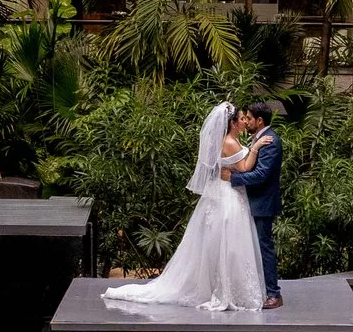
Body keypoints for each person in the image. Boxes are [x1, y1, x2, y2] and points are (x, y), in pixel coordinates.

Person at [101, 101, 267, 313]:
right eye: (241, 118)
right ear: (232, 123)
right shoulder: (229, 142)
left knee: (225, 243)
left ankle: (226, 285)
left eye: (246, 118)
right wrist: (255, 148)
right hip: (228, 195)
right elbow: (244, 167)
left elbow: (233, 168)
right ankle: (226, 289)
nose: (244, 121)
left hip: (224, 191)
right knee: (229, 241)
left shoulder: (230, 139)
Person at [227, 99, 285, 309]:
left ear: (259, 121)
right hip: (252, 202)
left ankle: (273, 294)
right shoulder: (258, 138)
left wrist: (232, 179)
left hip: (262, 203)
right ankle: (261, 289)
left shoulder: (271, 140)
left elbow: (261, 175)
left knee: (264, 247)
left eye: (249, 118)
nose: (246, 121)